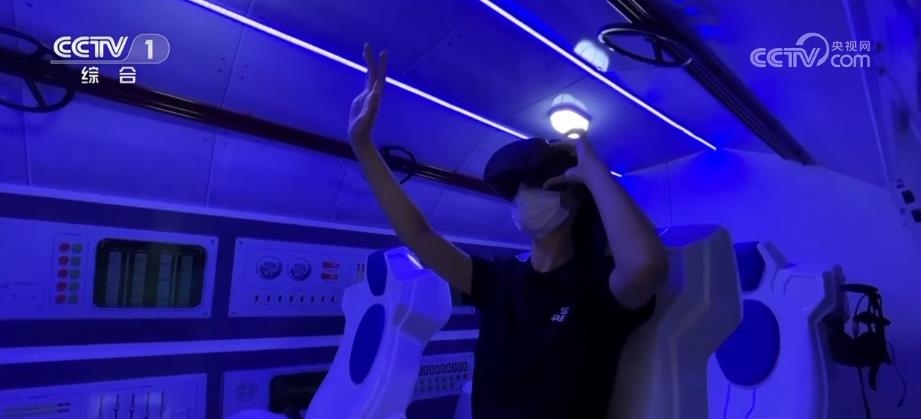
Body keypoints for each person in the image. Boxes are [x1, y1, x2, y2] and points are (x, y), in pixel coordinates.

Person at [348, 44, 669, 419]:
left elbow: (647, 266)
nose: (523, 197)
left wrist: (595, 173)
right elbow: (420, 236)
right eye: (516, 190)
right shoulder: (498, 280)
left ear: (574, 199)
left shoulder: (597, 284)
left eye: (535, 185)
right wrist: (363, 146)